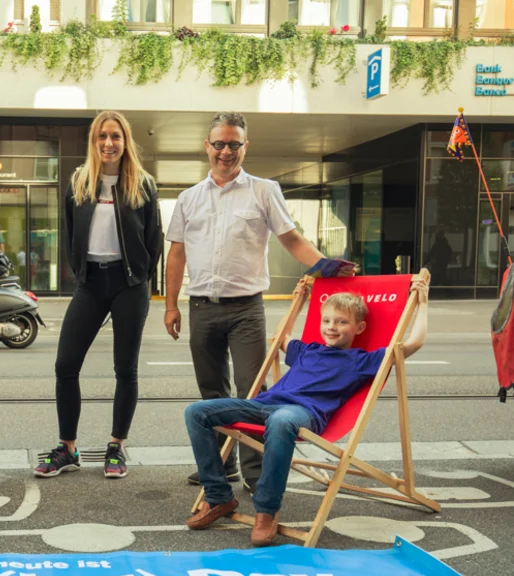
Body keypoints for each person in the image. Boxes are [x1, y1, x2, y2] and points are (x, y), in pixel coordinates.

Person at [164, 111, 356, 493]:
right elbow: (176, 254)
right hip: (201, 306)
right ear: (208, 146)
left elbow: (291, 239)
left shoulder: (264, 190)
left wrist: (324, 266)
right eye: (219, 143)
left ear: (244, 147)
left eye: (234, 144)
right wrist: (171, 306)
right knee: (212, 392)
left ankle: (255, 472)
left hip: (245, 308)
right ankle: (221, 465)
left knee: (254, 392)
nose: (226, 151)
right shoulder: (188, 198)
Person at [183, 278, 430, 546]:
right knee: (197, 412)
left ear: (359, 327)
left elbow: (413, 344)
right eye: (327, 321)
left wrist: (422, 303)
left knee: (280, 420)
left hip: (301, 413)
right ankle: (219, 496)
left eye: (341, 322)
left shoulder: (361, 360)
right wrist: (299, 301)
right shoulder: (308, 350)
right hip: (264, 405)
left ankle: (266, 510)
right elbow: (281, 338)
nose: (332, 327)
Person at [35, 110, 161, 479]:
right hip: (91, 282)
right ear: (94, 141)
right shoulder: (80, 182)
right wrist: (80, 271)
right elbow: (70, 229)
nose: (109, 143)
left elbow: (154, 239)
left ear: (125, 142)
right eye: (102, 136)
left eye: (116, 137)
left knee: (125, 368)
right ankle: (68, 449)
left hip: (129, 285)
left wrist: (140, 277)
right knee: (65, 365)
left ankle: (116, 446)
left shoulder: (142, 184)